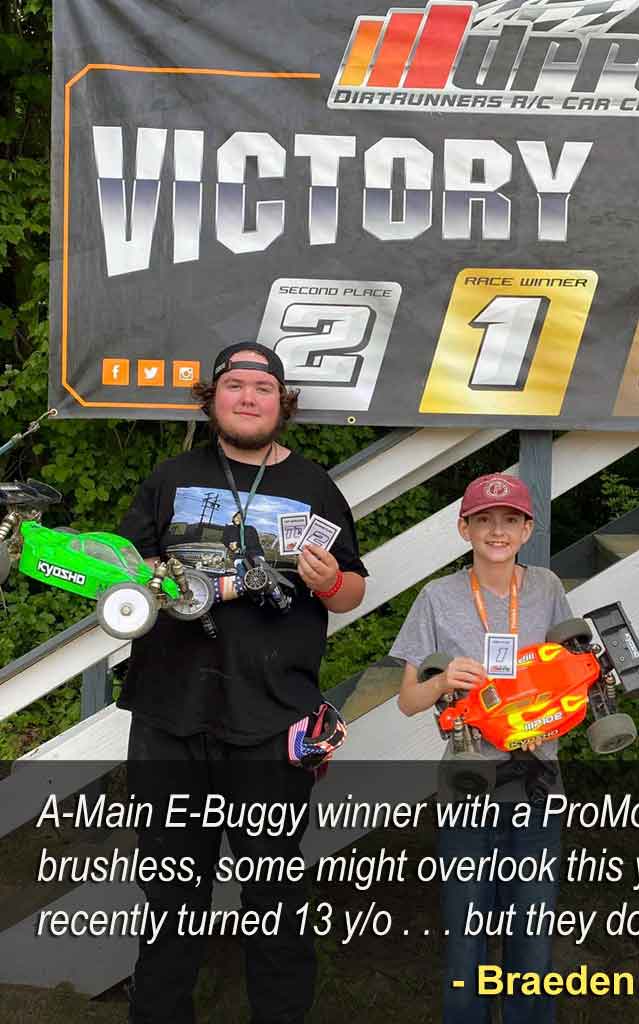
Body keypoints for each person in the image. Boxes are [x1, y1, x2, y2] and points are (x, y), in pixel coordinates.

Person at [118, 342, 368, 1024]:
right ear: (214, 398)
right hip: (170, 715)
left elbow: (352, 591)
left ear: (281, 403)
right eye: (235, 385)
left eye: (263, 387)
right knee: (172, 896)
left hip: (274, 722)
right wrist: (145, 576)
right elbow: (121, 568)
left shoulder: (315, 486)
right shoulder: (170, 477)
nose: (249, 397)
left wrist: (331, 582)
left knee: (275, 895)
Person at [390, 473, 573, 1024]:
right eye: (485, 520)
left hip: (540, 784)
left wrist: (551, 705)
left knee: (533, 940)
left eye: (510, 520)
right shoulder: (438, 597)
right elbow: (407, 701)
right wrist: (445, 681)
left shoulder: (546, 587)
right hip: (467, 788)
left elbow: (571, 677)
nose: (498, 530)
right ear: (464, 528)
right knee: (466, 938)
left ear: (527, 528)